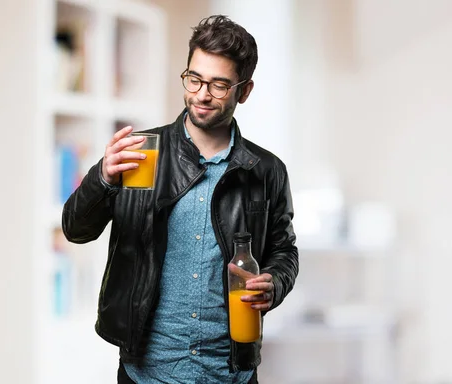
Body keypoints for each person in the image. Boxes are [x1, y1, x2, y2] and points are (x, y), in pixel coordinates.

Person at [62, 15, 298, 384]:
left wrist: (275, 282)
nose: (202, 94)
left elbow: (284, 251)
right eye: (194, 79)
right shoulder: (140, 153)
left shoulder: (266, 171)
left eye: (219, 85)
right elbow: (75, 230)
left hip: (231, 373)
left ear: (244, 90)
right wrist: (103, 178)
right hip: (146, 373)